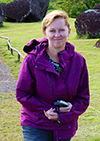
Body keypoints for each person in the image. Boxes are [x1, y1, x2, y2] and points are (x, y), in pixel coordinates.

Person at [16, 10, 90, 141]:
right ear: (45, 32)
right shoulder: (31, 60)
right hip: (35, 122)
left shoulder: (79, 61)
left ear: (69, 31)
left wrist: (69, 111)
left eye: (61, 30)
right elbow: (22, 94)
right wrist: (45, 109)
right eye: (52, 31)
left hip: (64, 125)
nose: (57, 35)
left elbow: (83, 98)